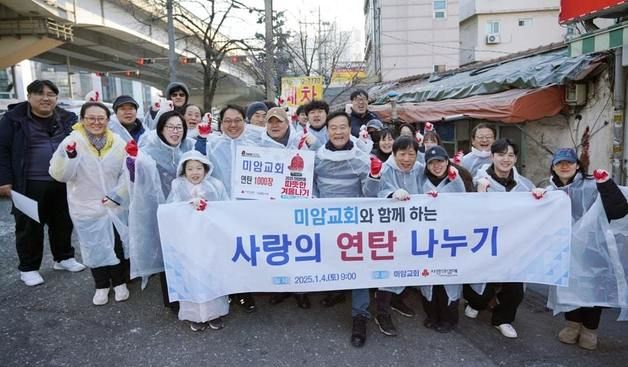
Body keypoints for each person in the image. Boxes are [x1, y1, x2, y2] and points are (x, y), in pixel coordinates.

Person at [0, 79, 85, 287]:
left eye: (51, 94)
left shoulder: (67, 118)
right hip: (28, 181)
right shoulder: (12, 119)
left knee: (63, 221)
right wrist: (4, 180)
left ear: (56, 98)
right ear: (29, 97)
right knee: (29, 226)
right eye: (40, 93)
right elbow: (1, 150)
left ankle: (63, 257)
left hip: (62, 179)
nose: (45, 98)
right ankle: (28, 268)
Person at [545, 148, 628, 350]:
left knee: (593, 289)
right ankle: (572, 325)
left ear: (577, 165)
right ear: (554, 167)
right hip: (562, 250)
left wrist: (606, 185)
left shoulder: (592, 185)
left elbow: (619, 209)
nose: (564, 166)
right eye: (560, 163)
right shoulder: (548, 190)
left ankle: (590, 330)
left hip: (591, 249)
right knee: (567, 287)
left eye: (569, 163)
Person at [49, 101, 130, 305]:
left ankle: (120, 283)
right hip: (85, 206)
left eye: (101, 118)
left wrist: (118, 195)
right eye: (91, 118)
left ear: (108, 120)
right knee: (94, 247)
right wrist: (71, 157)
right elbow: (60, 175)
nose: (96, 122)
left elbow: (127, 173)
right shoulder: (72, 142)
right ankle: (101, 285)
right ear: (82, 120)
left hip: (114, 205)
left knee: (117, 245)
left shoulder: (118, 142)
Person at [313, 111, 380, 347]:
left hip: (354, 223)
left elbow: (370, 195)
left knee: (358, 268)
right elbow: (309, 188)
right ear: (327, 130)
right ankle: (336, 291)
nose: (339, 132)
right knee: (329, 260)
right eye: (334, 127)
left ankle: (360, 315)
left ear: (349, 129)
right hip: (323, 221)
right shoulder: (316, 158)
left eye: (343, 127)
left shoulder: (362, 158)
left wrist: (373, 175)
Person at [463, 138, 539, 339]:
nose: (506, 159)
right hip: (485, 241)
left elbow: (537, 209)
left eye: (511, 155)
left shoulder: (524, 185)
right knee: (481, 287)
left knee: (515, 289)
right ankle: (475, 303)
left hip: (514, 244)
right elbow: (463, 211)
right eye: (501, 154)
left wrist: (541, 196)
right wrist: (478, 193)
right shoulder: (480, 180)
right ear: (493, 156)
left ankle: (502, 319)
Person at [194, 104, 260, 312]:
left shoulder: (255, 144)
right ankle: (226, 290)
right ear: (220, 124)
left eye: (237, 120)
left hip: (248, 208)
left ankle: (245, 292)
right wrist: (201, 140)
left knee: (245, 251)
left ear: (244, 121)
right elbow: (197, 163)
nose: (233, 125)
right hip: (220, 207)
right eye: (228, 121)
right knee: (223, 251)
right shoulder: (213, 145)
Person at [127, 110, 194, 313]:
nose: (175, 132)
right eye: (170, 127)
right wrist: (132, 163)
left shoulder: (188, 148)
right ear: (161, 129)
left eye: (179, 128)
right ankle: (173, 299)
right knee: (169, 255)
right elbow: (136, 182)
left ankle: (192, 294)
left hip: (187, 211)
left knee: (189, 254)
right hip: (162, 213)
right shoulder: (149, 152)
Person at [166, 150, 230, 331]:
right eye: (190, 168)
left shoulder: (216, 185)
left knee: (212, 276)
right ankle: (194, 314)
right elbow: (171, 209)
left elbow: (226, 207)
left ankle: (214, 313)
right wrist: (187, 206)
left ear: (206, 169)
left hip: (210, 241)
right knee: (190, 277)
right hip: (187, 241)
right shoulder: (178, 185)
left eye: (199, 168)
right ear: (183, 170)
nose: (195, 172)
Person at [418, 145, 466, 333]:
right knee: (428, 279)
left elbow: (468, 205)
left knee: (449, 279)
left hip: (450, 239)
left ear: (448, 162)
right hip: (426, 239)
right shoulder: (420, 181)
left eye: (441, 161)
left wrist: (457, 183)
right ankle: (431, 315)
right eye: (432, 162)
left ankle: (449, 319)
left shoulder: (457, 179)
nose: (437, 166)